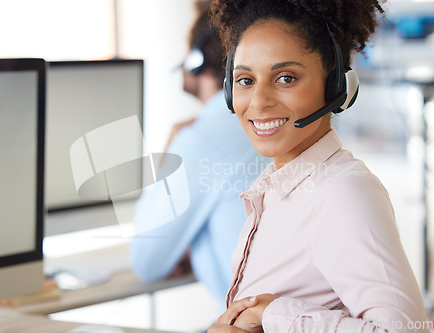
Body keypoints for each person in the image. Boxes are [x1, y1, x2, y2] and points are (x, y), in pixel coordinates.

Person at [206, 0, 430, 332]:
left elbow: (408, 330)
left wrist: (273, 314)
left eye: (285, 77)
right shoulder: (277, 190)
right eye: (245, 80)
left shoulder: (343, 192)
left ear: (335, 86)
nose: (259, 101)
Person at [130, 0, 269, 307]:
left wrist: (170, 151)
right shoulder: (269, 125)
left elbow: (146, 262)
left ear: (196, 60)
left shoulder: (202, 139)